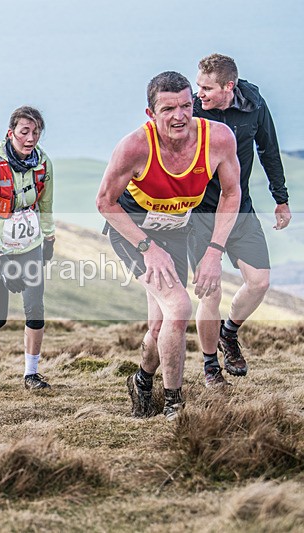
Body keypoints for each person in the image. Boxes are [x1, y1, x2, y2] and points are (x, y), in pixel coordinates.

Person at [96, 71, 240, 421]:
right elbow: (104, 202)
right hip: (133, 231)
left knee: (160, 326)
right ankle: (174, 403)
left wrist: (214, 251)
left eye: (186, 106)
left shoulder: (218, 138)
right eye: (168, 109)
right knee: (179, 307)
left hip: (177, 230)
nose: (179, 116)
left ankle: (142, 381)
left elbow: (232, 193)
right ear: (151, 113)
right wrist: (147, 247)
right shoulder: (134, 146)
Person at [191, 53, 292, 386]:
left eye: (206, 87)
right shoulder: (191, 112)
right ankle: (209, 366)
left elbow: (268, 149)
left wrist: (281, 199)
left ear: (228, 87)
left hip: (239, 206)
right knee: (211, 292)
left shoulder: (254, 105)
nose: (199, 93)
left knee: (260, 281)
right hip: (200, 213)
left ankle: (229, 333)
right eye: (198, 85)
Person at [0, 106, 55, 394]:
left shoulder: (43, 163)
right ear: (11, 133)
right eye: (24, 132)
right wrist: (0, 258)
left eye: (36, 132)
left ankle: (31, 374)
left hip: (29, 245)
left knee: (35, 310)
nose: (30, 138)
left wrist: (50, 239)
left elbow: (45, 207)